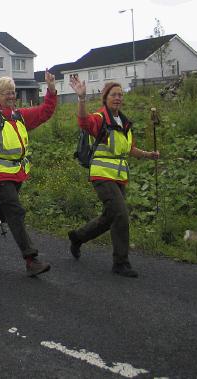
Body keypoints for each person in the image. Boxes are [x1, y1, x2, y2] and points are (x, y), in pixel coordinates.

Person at [68, 77, 160, 278]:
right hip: (102, 175)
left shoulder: (124, 122)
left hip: (118, 177)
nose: (118, 98)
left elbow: (130, 149)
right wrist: (81, 99)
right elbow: (84, 122)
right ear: (105, 98)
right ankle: (121, 263)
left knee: (110, 216)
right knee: (121, 214)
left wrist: (148, 155)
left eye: (120, 95)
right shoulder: (101, 118)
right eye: (113, 95)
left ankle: (78, 237)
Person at [0, 74, 58, 277]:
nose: (11, 95)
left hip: (17, 174)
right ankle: (30, 259)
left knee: (1, 211)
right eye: (6, 93)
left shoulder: (18, 116)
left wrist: (51, 90)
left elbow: (45, 112)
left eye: (13, 92)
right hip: (0, 176)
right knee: (15, 212)